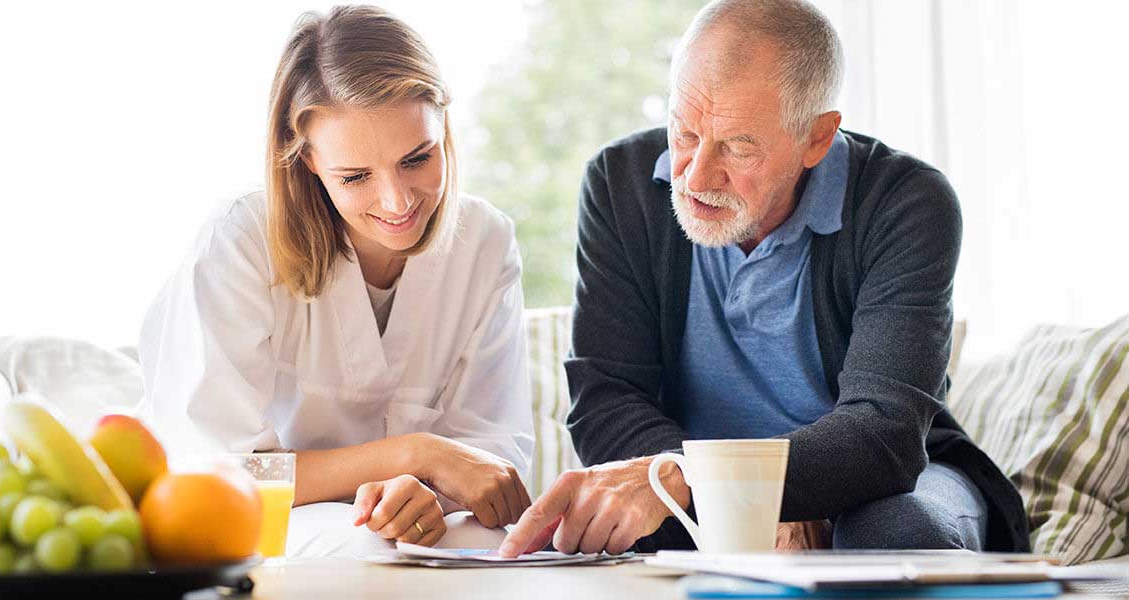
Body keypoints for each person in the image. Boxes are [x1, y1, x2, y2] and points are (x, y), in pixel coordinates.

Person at [500, 0, 1029, 558]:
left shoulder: (907, 202)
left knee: (897, 535)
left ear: (817, 139)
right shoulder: (619, 184)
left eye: (738, 146)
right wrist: (726, 500)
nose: (697, 176)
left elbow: (885, 434)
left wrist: (715, 484)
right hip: (687, 492)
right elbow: (607, 397)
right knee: (600, 529)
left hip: (883, 489)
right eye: (683, 133)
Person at [139, 5, 533, 558]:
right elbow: (215, 472)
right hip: (271, 519)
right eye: (354, 177)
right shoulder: (242, 241)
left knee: (492, 548)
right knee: (369, 555)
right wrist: (412, 455)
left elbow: (492, 460)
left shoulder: (485, 241)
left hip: (421, 523)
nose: (398, 202)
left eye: (418, 158)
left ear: (444, 126)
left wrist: (421, 491)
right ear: (306, 163)